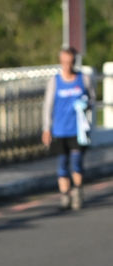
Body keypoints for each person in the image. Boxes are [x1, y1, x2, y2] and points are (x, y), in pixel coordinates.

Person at [42, 47, 93, 211]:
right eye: (64, 62)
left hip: (78, 131)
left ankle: (77, 191)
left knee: (77, 162)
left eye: (70, 62)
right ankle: (65, 195)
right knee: (62, 163)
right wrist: (46, 129)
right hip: (59, 130)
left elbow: (92, 99)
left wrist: (85, 104)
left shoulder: (83, 79)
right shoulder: (55, 81)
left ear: (74, 62)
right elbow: (48, 106)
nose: (67, 65)